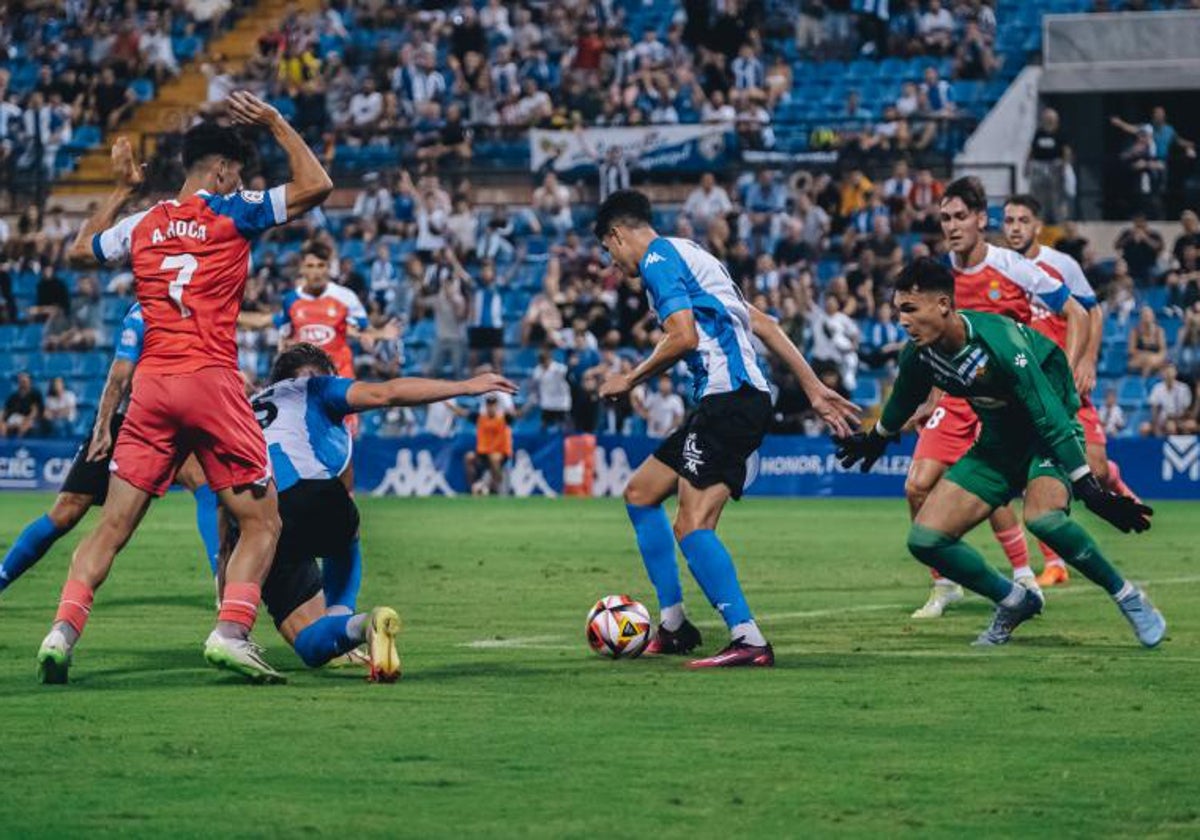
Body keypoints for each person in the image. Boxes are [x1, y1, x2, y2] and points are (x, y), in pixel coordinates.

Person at [38, 92, 333, 686]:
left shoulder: (142, 222)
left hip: (149, 389)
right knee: (262, 522)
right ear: (222, 170)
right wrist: (274, 121)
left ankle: (61, 633)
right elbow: (316, 185)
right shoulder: (235, 210)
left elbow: (77, 251)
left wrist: (123, 187)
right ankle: (231, 632)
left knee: (113, 526)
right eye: (238, 172)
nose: (240, 181)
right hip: (211, 381)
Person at [836, 257, 1164, 648]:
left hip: (1047, 434)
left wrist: (1088, 488)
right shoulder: (919, 353)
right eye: (898, 311)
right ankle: (1014, 600)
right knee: (925, 540)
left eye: (910, 309)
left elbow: (1050, 416)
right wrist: (878, 436)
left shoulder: (1001, 342)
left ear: (943, 305)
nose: (902, 321)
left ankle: (1129, 596)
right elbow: (906, 394)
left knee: (1043, 519)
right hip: (997, 442)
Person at [593, 189, 858, 668]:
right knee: (640, 493)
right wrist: (814, 388)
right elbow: (766, 324)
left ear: (615, 234)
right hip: (729, 400)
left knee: (692, 525)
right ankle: (673, 624)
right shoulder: (694, 255)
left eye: (607, 251)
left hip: (729, 399)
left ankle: (748, 637)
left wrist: (629, 378)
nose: (611, 262)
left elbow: (683, 336)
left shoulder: (656, 261)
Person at [234, 344, 515, 680]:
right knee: (344, 530)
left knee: (309, 645)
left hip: (256, 513)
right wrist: (465, 386)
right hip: (313, 495)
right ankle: (345, 616)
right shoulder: (317, 386)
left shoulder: (245, 409)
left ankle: (363, 625)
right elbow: (388, 393)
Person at [906, 177, 1089, 620]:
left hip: (1006, 398)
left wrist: (1063, 373)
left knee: (992, 488)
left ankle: (1023, 574)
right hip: (956, 394)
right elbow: (933, 338)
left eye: (959, 217)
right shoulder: (938, 275)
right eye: (944, 218)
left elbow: (1076, 312)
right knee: (916, 485)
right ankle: (944, 584)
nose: (951, 226)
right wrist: (929, 397)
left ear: (980, 219)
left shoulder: (1012, 267)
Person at [0, 304, 221, 598]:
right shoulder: (142, 313)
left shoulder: (199, 309)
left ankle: (224, 586)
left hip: (170, 422)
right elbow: (119, 376)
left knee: (203, 483)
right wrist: (103, 425)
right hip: (123, 419)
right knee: (66, 511)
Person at [1002, 194, 1141, 586]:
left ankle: (1111, 477)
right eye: (1008, 220)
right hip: (1027, 388)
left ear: (1037, 225)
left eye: (1022, 220)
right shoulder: (1002, 268)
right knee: (1031, 475)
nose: (1014, 227)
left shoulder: (1061, 265)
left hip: (1066, 383)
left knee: (1094, 469)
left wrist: (1086, 361)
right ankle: (1055, 564)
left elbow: (1091, 310)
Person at [457, 393, 515, 495]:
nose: (491, 407)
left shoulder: (503, 418)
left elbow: (515, 415)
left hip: (500, 452)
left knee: (494, 458)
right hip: (483, 452)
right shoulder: (480, 417)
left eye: (493, 404)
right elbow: (462, 413)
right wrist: (447, 404)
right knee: (469, 457)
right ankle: (473, 487)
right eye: (489, 404)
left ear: (496, 406)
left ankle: (499, 487)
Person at [527, 346, 572, 431]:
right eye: (542, 362)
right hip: (547, 403)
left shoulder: (560, 368)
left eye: (545, 361)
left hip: (561, 403)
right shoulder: (538, 370)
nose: (544, 364)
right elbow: (533, 385)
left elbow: (568, 374)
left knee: (564, 428)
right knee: (544, 427)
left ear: (550, 359)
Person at [1142, 364, 1193, 436]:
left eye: (1171, 371)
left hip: (1180, 418)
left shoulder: (1183, 388)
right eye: (1166, 372)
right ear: (1162, 374)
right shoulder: (1157, 388)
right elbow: (1154, 410)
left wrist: (1179, 421)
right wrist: (1156, 426)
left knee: (1189, 425)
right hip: (1162, 420)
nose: (1169, 374)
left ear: (1176, 373)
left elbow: (1186, 410)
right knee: (1145, 427)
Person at [638, 374, 686, 439]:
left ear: (671, 384)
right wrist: (650, 417)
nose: (664, 384)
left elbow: (679, 419)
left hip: (668, 436)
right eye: (662, 381)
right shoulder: (652, 397)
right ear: (659, 384)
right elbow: (643, 410)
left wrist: (667, 429)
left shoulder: (676, 400)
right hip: (652, 435)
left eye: (667, 382)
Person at [2, 372, 46, 438]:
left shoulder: (36, 394)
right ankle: (4, 445)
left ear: (29, 381)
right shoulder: (13, 396)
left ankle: (17, 444)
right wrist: (3, 420)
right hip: (14, 418)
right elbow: (6, 410)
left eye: (25, 380)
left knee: (25, 425)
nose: (22, 382)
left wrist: (26, 419)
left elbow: (36, 411)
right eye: (21, 380)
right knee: (2, 425)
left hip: (28, 419)